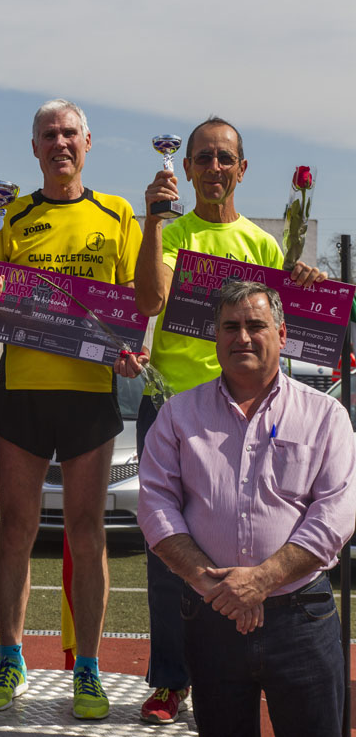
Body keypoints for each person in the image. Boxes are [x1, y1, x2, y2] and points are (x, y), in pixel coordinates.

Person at [131, 116, 326, 725]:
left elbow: (283, 323)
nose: (213, 168)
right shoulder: (170, 230)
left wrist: (307, 281)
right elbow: (151, 300)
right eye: (203, 158)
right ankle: (170, 680)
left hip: (248, 411)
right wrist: (153, 221)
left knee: (255, 532)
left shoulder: (263, 244)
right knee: (169, 548)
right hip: (176, 410)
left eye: (224, 158)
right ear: (186, 168)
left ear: (242, 169)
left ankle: (251, 658)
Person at [0, 99, 143, 720]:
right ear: (33, 147)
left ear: (88, 142)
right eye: (48, 134)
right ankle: (10, 658)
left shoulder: (117, 213)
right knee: (16, 529)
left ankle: (87, 668)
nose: (59, 143)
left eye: (69, 133)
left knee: (87, 533)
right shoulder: (8, 214)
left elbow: (133, 300)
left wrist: (129, 348)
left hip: (90, 395)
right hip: (24, 391)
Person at [137, 281, 356, 737]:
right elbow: (156, 506)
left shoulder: (325, 415)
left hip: (301, 618)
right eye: (230, 327)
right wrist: (212, 584)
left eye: (256, 325)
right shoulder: (178, 415)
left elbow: (335, 515)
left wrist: (262, 580)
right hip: (211, 619)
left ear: (281, 333)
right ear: (215, 336)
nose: (242, 337)